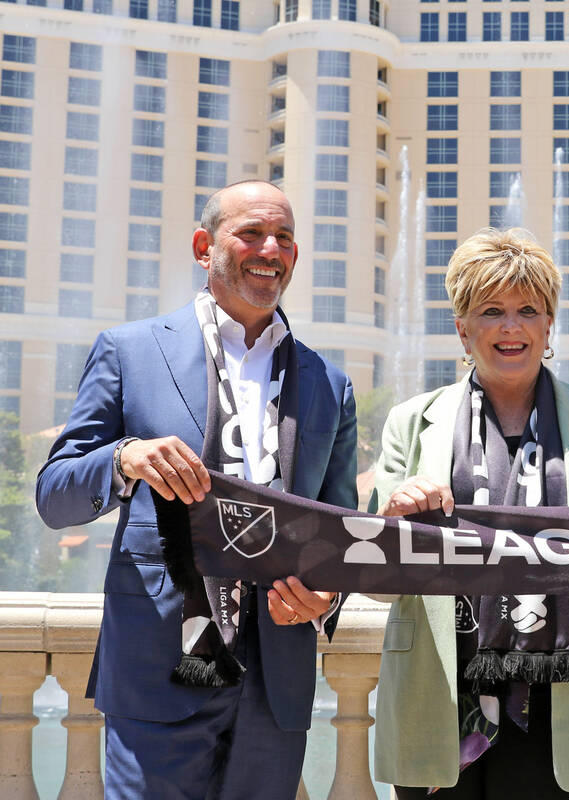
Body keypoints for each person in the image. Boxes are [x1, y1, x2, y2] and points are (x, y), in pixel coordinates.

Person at [36, 180, 358, 800]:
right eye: (252, 233)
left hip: (277, 680)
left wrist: (327, 591)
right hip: (158, 665)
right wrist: (124, 457)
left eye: (285, 238)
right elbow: (55, 495)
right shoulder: (128, 351)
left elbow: (338, 528)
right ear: (203, 246)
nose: (271, 248)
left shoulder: (330, 384)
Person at [371, 227, 569, 799]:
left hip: (561, 703)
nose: (510, 326)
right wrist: (392, 522)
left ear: (549, 327)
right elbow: (376, 581)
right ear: (462, 328)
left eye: (528, 310)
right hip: (439, 694)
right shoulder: (409, 421)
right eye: (491, 310)